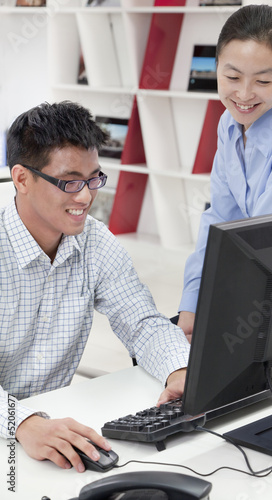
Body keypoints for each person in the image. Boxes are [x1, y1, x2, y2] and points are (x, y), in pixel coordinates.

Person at [0, 100, 190, 473]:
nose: (86, 197)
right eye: (70, 181)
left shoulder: (95, 242)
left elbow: (143, 322)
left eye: (93, 179)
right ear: (22, 178)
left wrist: (179, 371)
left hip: (55, 427)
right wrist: (20, 422)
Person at [178, 4, 272, 341]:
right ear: (217, 65)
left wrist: (217, 316)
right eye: (232, 77)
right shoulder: (229, 123)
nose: (244, 94)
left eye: (263, 80)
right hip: (263, 279)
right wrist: (192, 301)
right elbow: (220, 217)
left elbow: (264, 243)